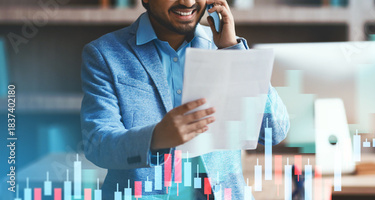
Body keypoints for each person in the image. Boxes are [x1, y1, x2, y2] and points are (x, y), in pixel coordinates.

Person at [80, 0, 289, 199]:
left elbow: (275, 132)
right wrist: (156, 138)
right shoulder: (104, 54)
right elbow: (97, 143)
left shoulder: (224, 47)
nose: (188, 3)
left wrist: (233, 53)